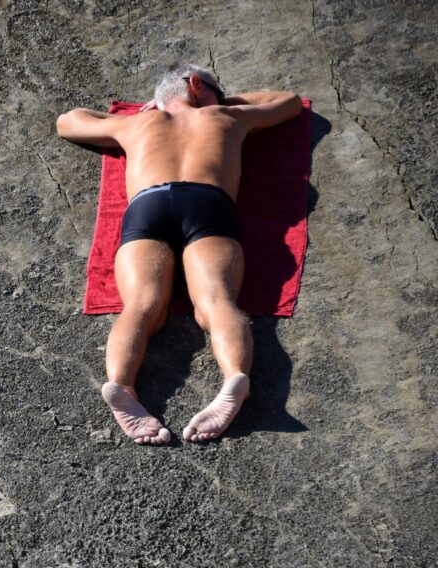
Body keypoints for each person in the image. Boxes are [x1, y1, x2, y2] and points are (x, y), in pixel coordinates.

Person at [56, 65, 302, 444]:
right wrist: (219, 103)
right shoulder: (227, 116)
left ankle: (122, 386)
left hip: (148, 204)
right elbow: (287, 103)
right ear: (196, 84)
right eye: (220, 89)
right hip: (208, 202)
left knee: (141, 304)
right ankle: (236, 377)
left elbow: (68, 122)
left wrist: (148, 109)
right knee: (216, 299)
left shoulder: (133, 125)